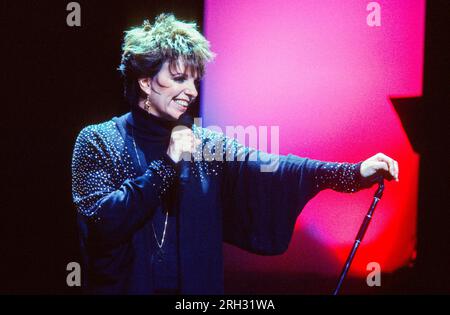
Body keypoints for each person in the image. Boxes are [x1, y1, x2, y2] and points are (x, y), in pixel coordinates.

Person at [71, 13, 399, 295]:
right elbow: (102, 222)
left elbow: (272, 166)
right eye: (179, 78)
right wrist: (167, 164)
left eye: (195, 81)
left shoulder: (205, 145)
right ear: (145, 82)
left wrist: (352, 173)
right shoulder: (98, 141)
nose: (192, 91)